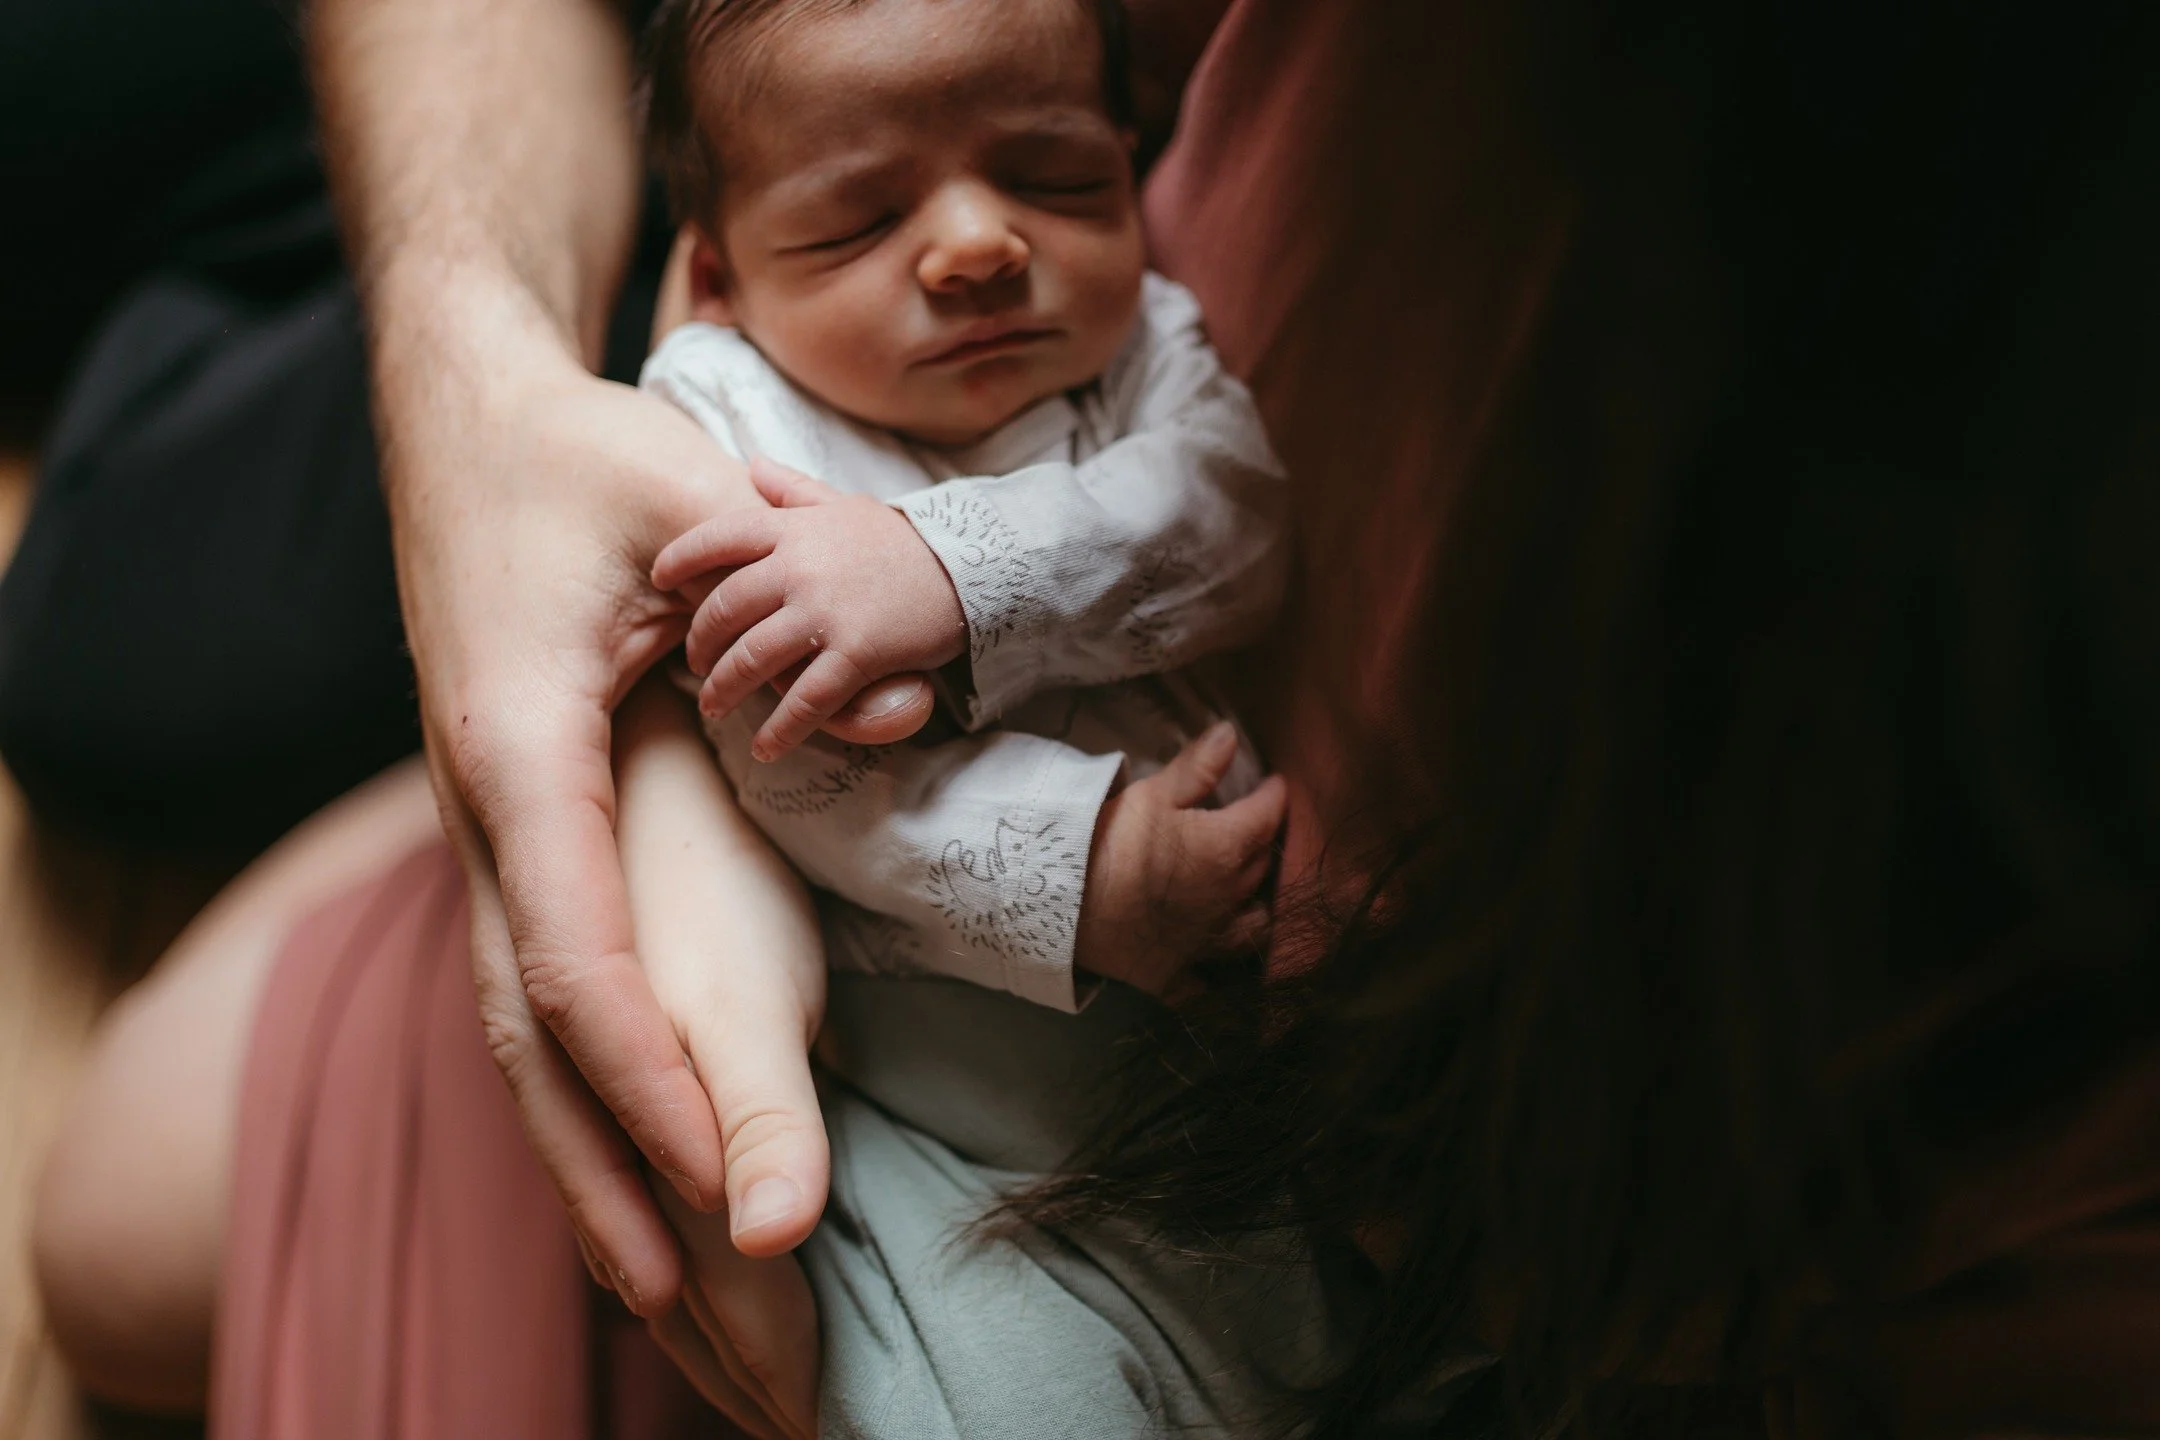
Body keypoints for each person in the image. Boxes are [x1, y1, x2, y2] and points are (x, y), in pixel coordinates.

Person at [38, 0, 2160, 1437]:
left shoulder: (1153, 346)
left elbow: (1224, 512)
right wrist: (1051, 866)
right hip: (891, 1024)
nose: (978, 247)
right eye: (866, 217)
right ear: (719, 270)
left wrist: (956, 579)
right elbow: (796, 761)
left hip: (1209, 1160)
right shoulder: (725, 397)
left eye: (1054, 179)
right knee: (107, 692)